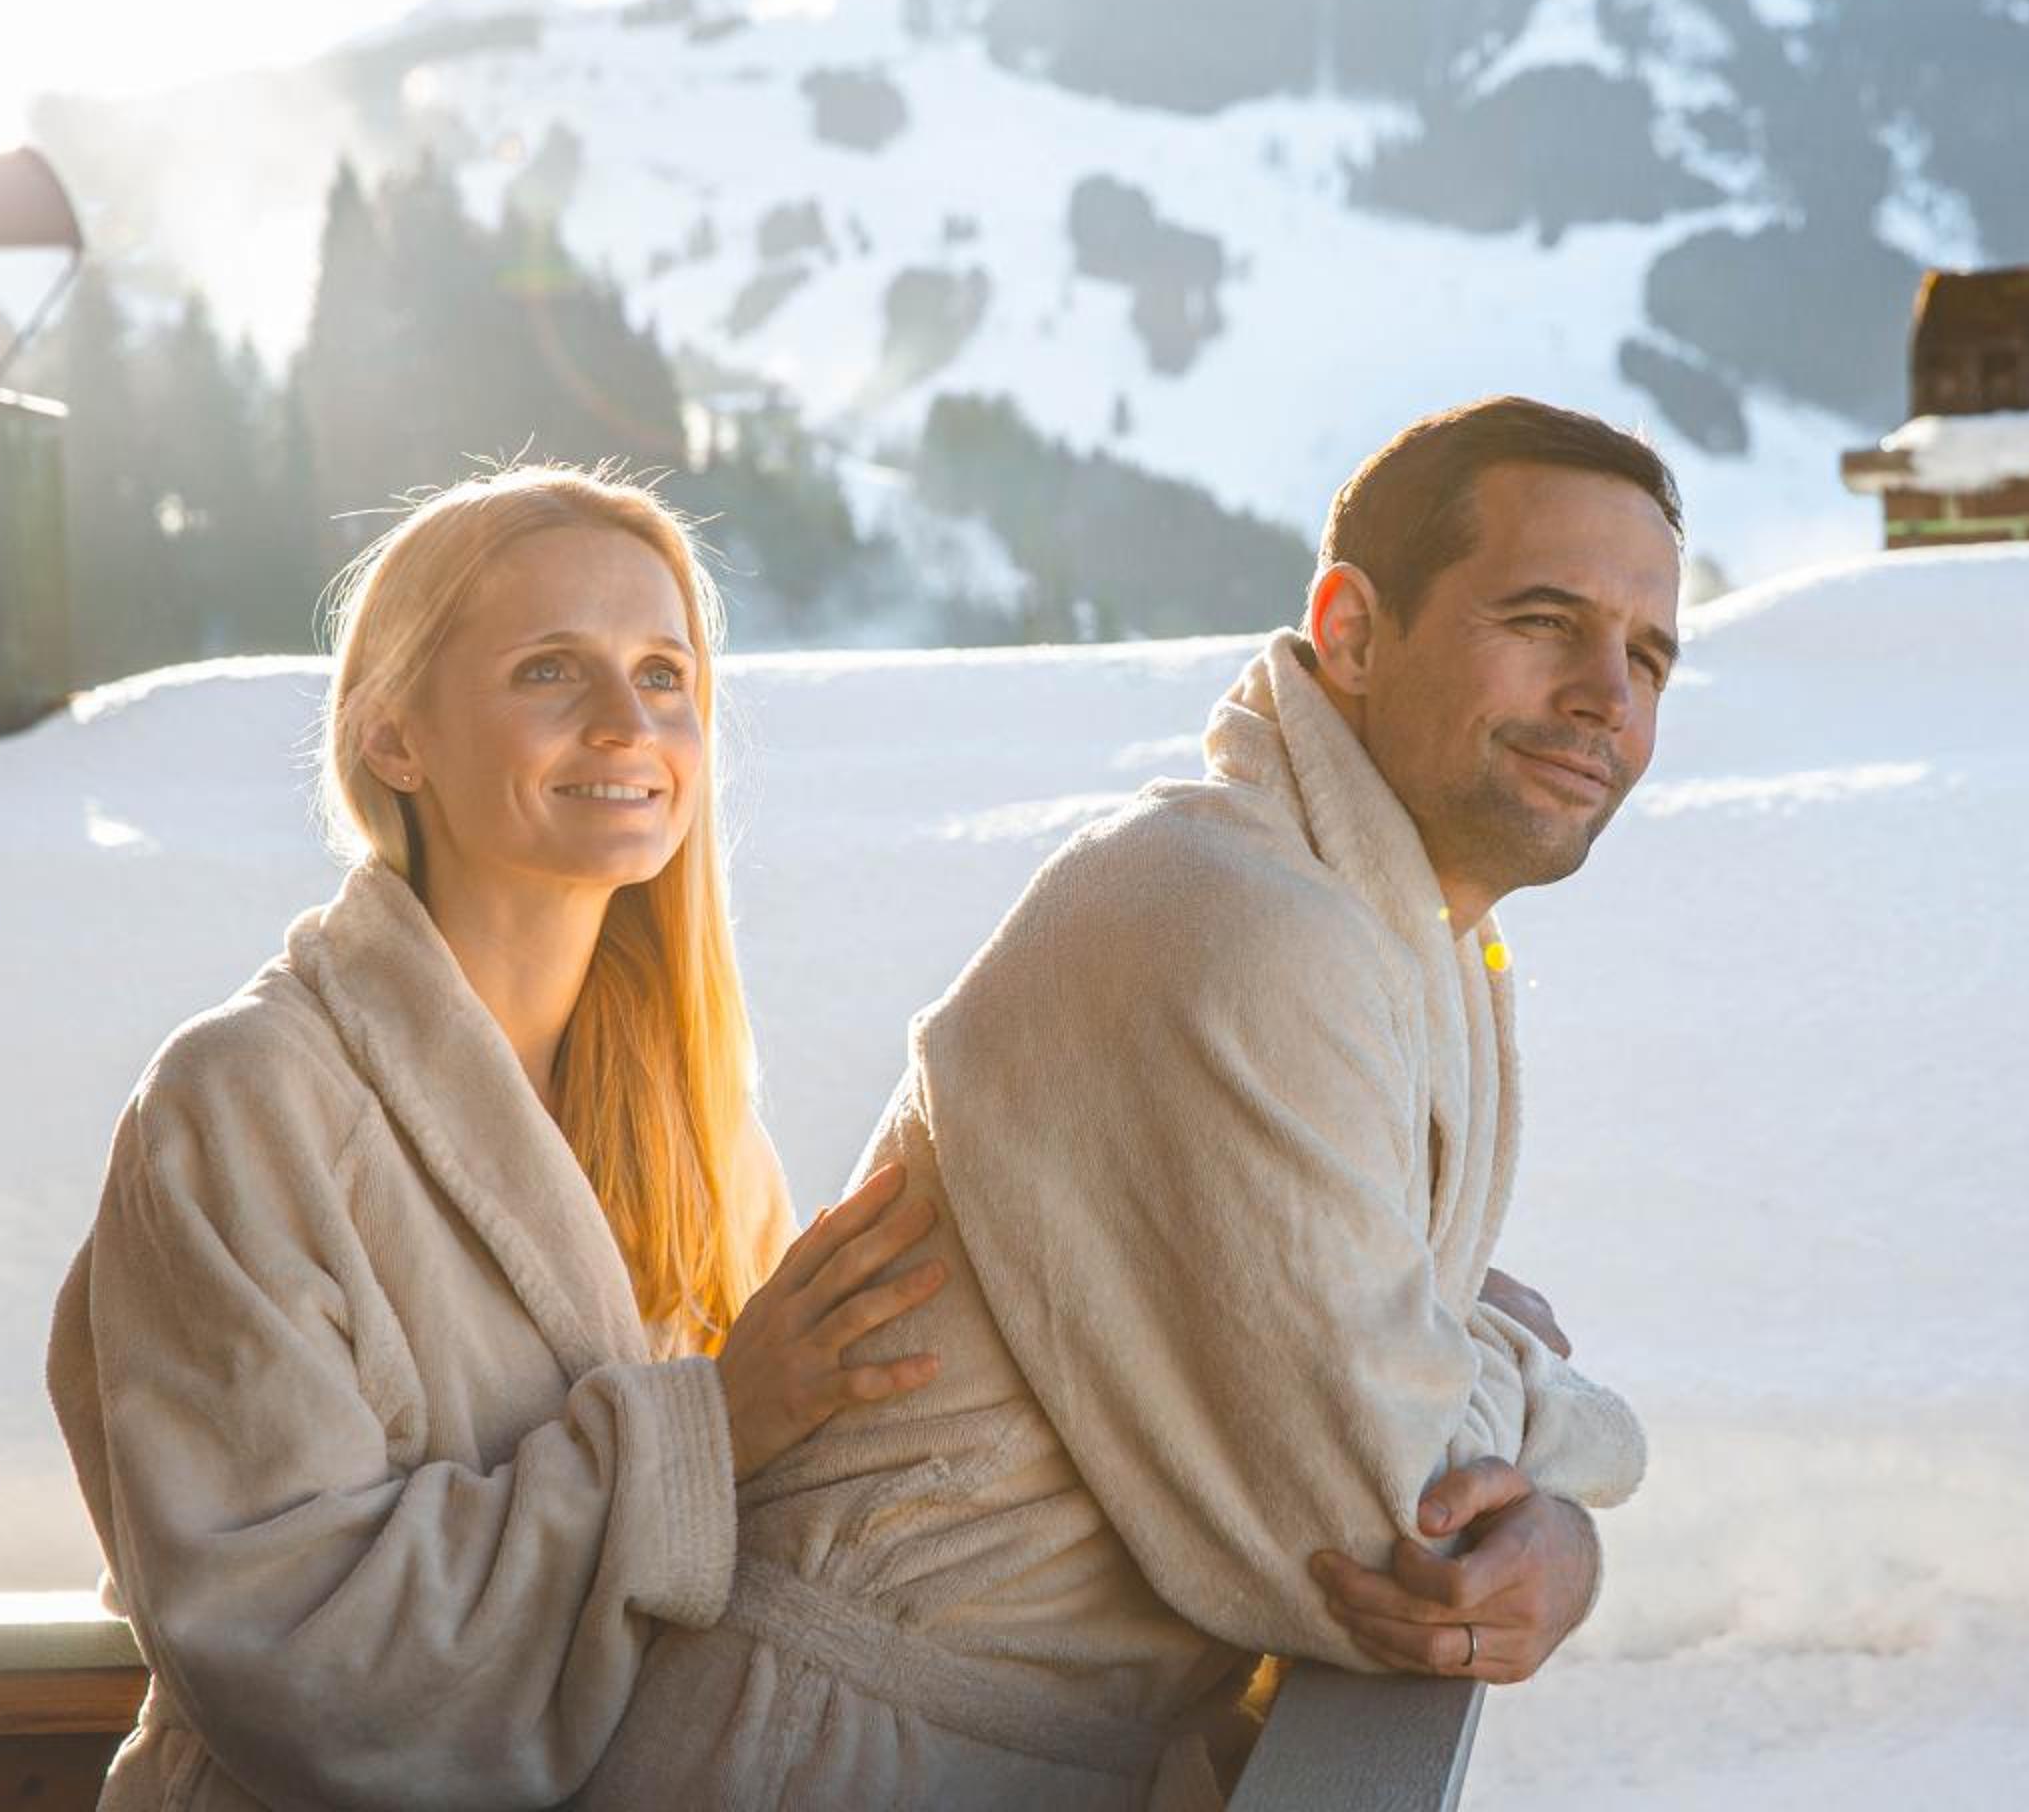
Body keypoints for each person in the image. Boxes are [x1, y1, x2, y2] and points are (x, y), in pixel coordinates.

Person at [586, 396, 1680, 1810]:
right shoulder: (1236, 925)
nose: (1607, 697)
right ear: (1352, 631)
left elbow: (1386, 1389)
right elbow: (1383, 1528)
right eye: (1544, 622)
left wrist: (1455, 1368)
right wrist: (1576, 1451)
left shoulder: (1403, 930)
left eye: (1648, 655)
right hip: (830, 1761)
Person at [46, 469, 949, 1808]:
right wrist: (704, 1435)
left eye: (663, 674)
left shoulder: (691, 1123)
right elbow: (296, 1648)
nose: (627, 722)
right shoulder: (245, 1102)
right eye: (549, 670)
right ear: (393, 739)